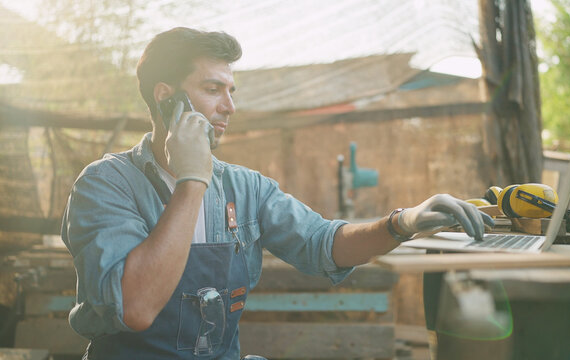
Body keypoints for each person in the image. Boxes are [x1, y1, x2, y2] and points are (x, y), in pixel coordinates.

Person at [61, 27, 493, 359]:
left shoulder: (245, 188)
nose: (229, 106)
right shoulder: (105, 184)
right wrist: (193, 180)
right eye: (213, 90)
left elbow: (325, 243)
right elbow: (135, 308)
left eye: (231, 91)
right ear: (166, 96)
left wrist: (404, 222)